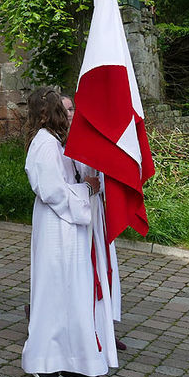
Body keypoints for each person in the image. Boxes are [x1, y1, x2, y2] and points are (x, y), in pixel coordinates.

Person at [22, 87, 117, 377]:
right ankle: (44, 362)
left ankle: (79, 363)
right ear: (46, 114)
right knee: (54, 292)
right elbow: (50, 190)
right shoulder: (44, 144)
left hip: (74, 226)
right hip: (56, 226)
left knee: (77, 293)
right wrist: (86, 191)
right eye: (64, 110)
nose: (71, 114)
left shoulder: (63, 142)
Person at [62, 94, 125, 352]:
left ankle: (104, 326)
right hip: (75, 212)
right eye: (64, 109)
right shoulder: (55, 144)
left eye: (71, 109)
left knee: (104, 267)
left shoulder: (86, 137)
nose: (69, 113)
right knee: (81, 271)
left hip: (95, 210)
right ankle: (84, 326)